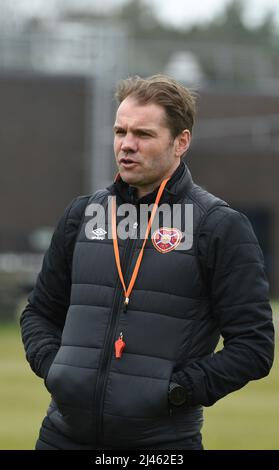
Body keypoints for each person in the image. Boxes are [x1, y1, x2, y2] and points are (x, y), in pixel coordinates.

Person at [20, 74, 274, 450]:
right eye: (120, 131)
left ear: (181, 141)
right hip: (61, 438)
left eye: (143, 134)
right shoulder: (82, 214)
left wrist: (174, 392)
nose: (126, 145)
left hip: (161, 444)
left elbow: (254, 347)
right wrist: (58, 370)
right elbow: (38, 313)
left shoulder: (218, 226)